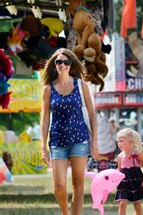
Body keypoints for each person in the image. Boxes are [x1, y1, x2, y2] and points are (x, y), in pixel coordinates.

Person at [39, 48, 98, 215]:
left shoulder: (81, 85)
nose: (62, 65)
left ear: (71, 65)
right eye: (59, 62)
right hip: (57, 141)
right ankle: (66, 213)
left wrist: (94, 141)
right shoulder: (48, 89)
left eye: (66, 62)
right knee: (59, 187)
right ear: (54, 65)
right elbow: (44, 120)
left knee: (78, 184)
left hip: (80, 139)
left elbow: (92, 113)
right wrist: (43, 147)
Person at [115, 128, 143, 215]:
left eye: (121, 141)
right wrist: (114, 180)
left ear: (130, 142)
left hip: (135, 180)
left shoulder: (136, 154)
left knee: (137, 204)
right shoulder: (119, 156)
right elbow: (119, 170)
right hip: (123, 182)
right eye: (118, 141)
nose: (119, 143)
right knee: (122, 203)